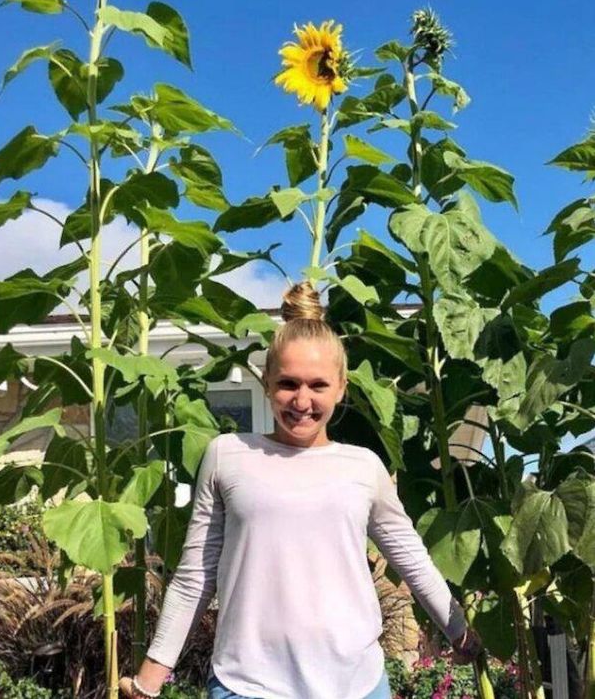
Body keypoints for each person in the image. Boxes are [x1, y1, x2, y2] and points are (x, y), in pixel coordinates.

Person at [119, 282, 482, 699]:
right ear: (267, 382)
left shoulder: (363, 466)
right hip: (248, 685)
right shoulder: (228, 456)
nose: (302, 400)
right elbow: (194, 576)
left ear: (342, 387)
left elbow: (411, 557)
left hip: (356, 685)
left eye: (318, 385)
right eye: (288, 383)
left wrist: (458, 630)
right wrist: (149, 679)